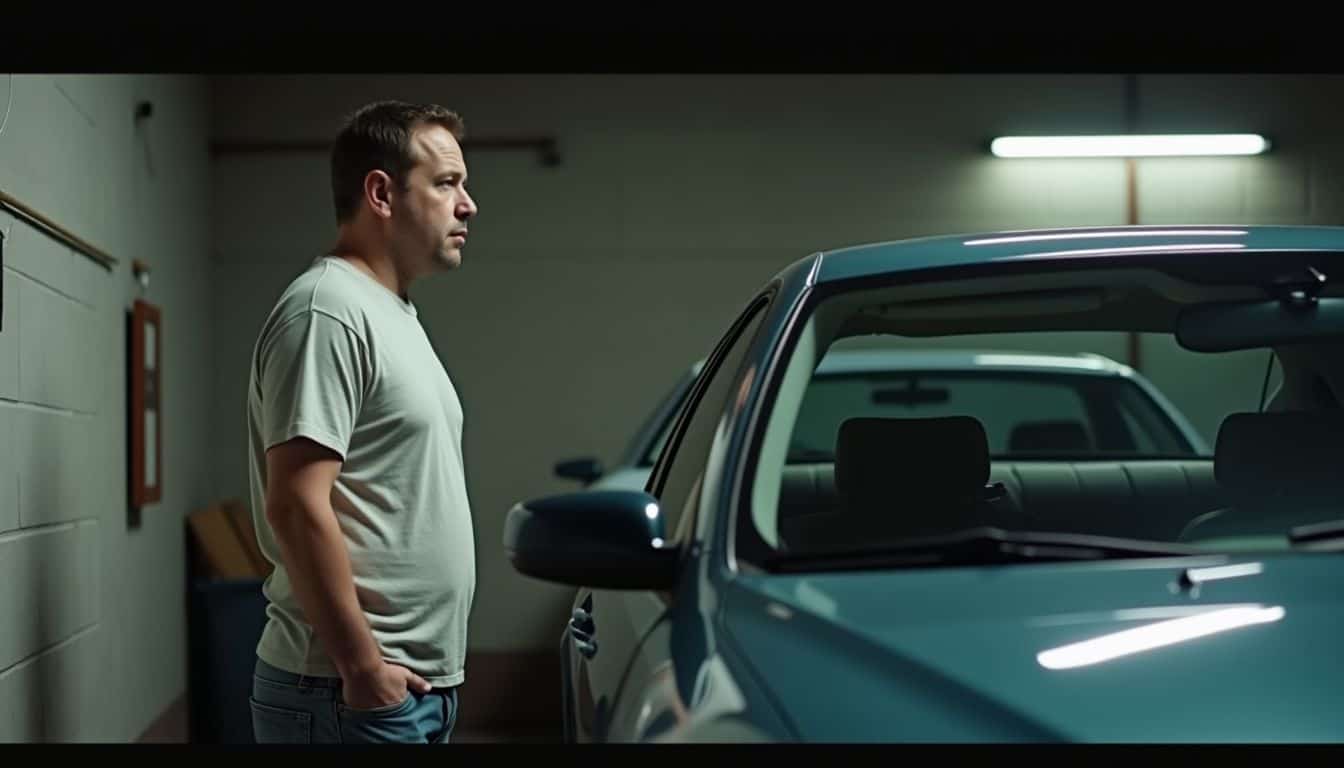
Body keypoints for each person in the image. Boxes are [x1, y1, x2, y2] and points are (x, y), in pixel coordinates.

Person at [244, 100, 479, 744]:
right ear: (381, 192)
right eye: (446, 183)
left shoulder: (390, 311)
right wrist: (363, 668)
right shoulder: (327, 311)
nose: (468, 205)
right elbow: (294, 503)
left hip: (399, 690)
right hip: (346, 694)